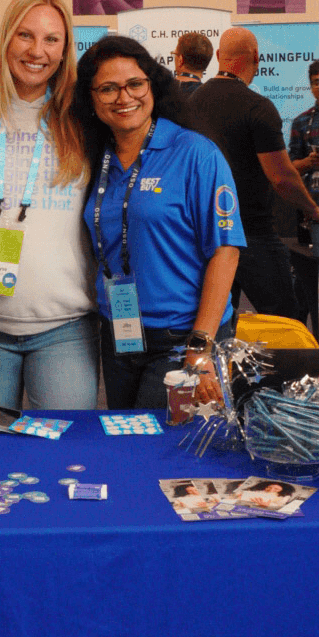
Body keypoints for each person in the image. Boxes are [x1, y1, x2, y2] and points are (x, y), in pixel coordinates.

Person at [0, 0, 98, 412]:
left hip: (63, 321)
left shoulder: (83, 117)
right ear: (6, 37)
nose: (37, 51)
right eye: (25, 35)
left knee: (64, 441)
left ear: (65, 49)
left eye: (51, 39)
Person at [73, 35, 245, 410]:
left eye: (135, 84)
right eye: (108, 88)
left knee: (158, 439)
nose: (124, 97)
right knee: (126, 434)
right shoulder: (93, 157)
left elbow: (226, 252)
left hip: (183, 337)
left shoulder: (195, 153)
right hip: (120, 331)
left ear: (153, 85)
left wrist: (200, 346)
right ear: (91, 97)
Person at [184, 28, 319, 321]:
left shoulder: (191, 105)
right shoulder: (258, 108)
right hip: (251, 234)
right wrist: (313, 209)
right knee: (285, 321)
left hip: (205, 234)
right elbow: (281, 178)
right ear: (256, 57)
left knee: (217, 322)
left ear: (218, 56)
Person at [288, 59, 319, 338]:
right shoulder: (302, 121)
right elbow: (290, 168)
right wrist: (310, 162)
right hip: (310, 210)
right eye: (314, 82)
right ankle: (299, 338)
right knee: (307, 278)